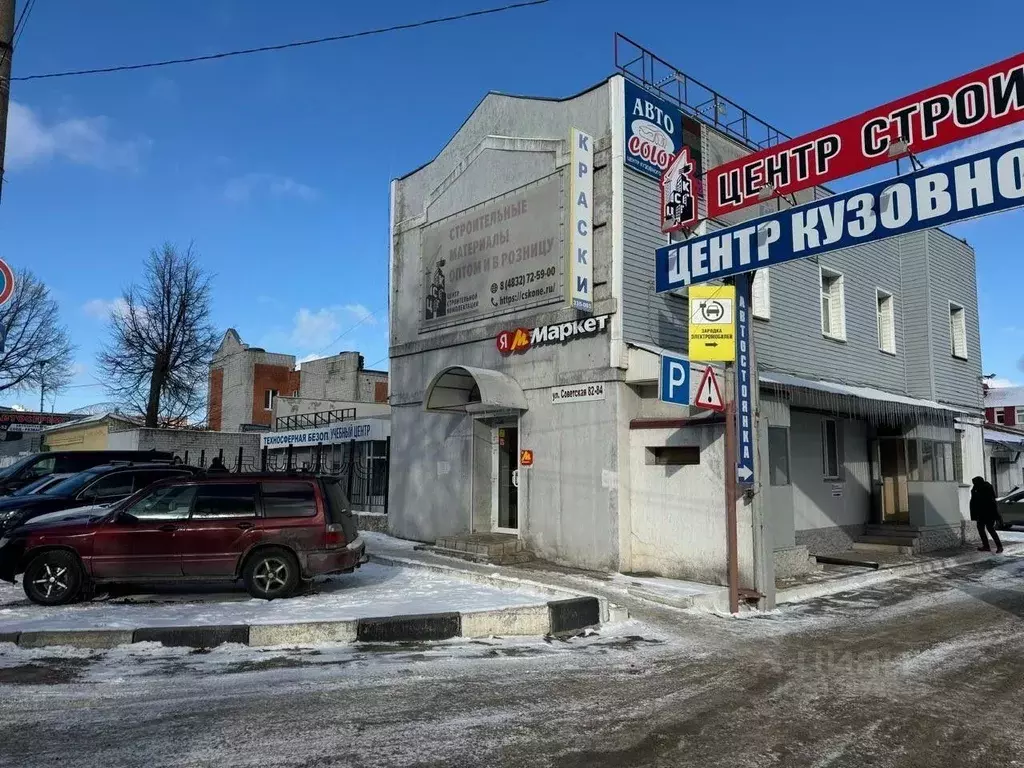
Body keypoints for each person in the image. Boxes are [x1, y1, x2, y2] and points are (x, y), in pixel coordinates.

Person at [970, 476, 1003, 553]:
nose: (974, 484)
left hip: (989, 514)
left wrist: (996, 516)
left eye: (974, 483)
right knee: (981, 529)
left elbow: (992, 503)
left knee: (990, 529)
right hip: (980, 514)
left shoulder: (986, 489)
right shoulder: (976, 489)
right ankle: (986, 546)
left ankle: (999, 546)